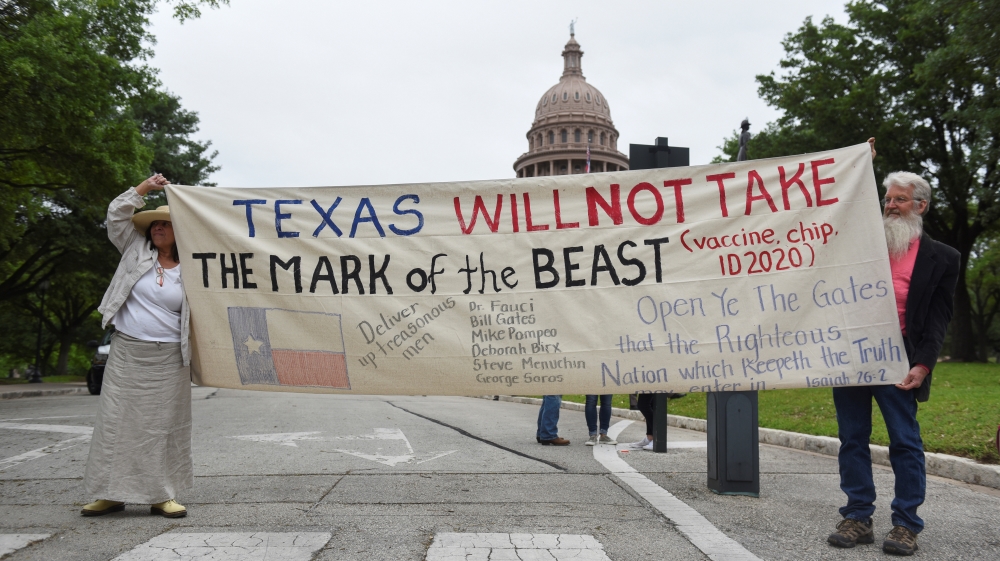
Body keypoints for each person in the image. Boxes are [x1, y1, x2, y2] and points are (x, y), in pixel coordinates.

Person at [827, 149, 960, 556]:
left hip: (900, 357)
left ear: (920, 205)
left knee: (904, 441)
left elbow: (938, 319)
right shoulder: (859, 244)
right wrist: (855, 162)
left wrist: (922, 364)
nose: (891, 206)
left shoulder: (944, 258)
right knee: (852, 438)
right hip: (853, 351)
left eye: (900, 199)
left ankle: (906, 523)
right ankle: (857, 516)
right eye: (887, 199)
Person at [81, 174, 193, 519]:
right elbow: (117, 213)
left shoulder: (192, 267)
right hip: (128, 352)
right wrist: (145, 187)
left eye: (166, 224)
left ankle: (162, 495)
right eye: (155, 224)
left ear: (179, 232)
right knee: (115, 425)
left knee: (163, 429)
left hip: (170, 358)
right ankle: (110, 494)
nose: (158, 228)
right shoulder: (134, 248)